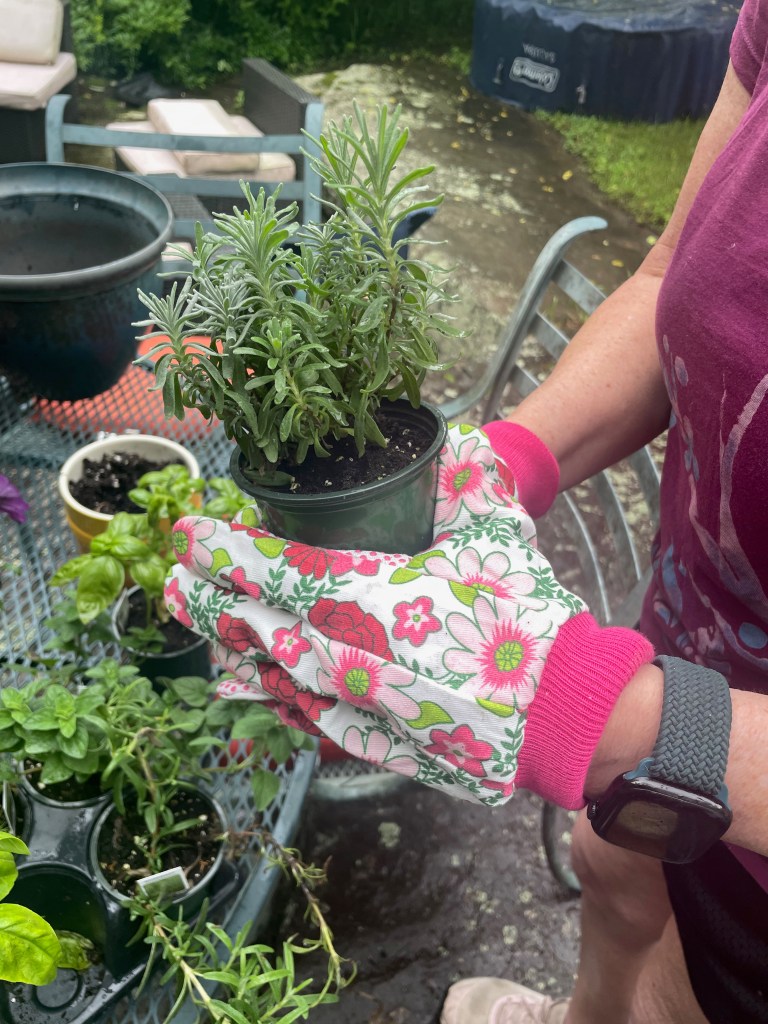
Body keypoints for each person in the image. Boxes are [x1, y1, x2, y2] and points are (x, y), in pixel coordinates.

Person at [165, 0, 768, 1018]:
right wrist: (508, 462)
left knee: (681, 991)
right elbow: (674, 277)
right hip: (677, 648)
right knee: (613, 871)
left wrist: (600, 709)